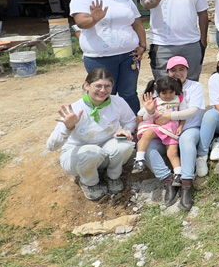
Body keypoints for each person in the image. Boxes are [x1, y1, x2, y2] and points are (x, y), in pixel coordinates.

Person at [47, 68, 136, 201]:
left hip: (105, 152)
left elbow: (130, 121)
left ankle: (112, 176)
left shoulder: (118, 102)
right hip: (78, 159)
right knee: (92, 152)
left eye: (107, 86)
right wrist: (68, 127)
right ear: (86, 85)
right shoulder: (76, 110)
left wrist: (127, 131)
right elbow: (51, 146)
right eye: (98, 86)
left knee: (126, 145)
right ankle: (89, 183)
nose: (103, 90)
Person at [70, 0, 146, 113]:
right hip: (100, 58)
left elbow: (137, 24)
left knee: (129, 94)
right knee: (103, 95)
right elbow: (81, 23)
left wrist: (142, 46)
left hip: (129, 56)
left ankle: (133, 128)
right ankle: (103, 129)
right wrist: (94, 19)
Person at [144, 56, 205, 210]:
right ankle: (168, 180)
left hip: (188, 128)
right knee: (146, 147)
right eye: (173, 70)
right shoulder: (161, 87)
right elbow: (148, 113)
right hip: (164, 132)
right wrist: (150, 113)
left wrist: (169, 116)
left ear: (187, 70)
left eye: (181, 69)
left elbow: (193, 111)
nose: (178, 73)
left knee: (186, 141)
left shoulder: (195, 86)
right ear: (168, 72)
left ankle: (186, 184)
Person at [141, 0, 209, 81]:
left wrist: (203, 40)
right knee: (164, 84)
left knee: (191, 82)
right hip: (163, 45)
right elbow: (146, 4)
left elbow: (202, 13)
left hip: (192, 44)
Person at [132, 77, 184, 180]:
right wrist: (150, 111)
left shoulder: (179, 100)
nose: (168, 96)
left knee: (172, 152)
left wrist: (181, 126)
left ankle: (178, 173)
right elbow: (141, 115)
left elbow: (183, 115)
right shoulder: (155, 102)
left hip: (171, 129)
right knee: (148, 133)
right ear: (158, 92)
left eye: (171, 92)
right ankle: (139, 159)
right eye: (164, 93)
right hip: (158, 127)